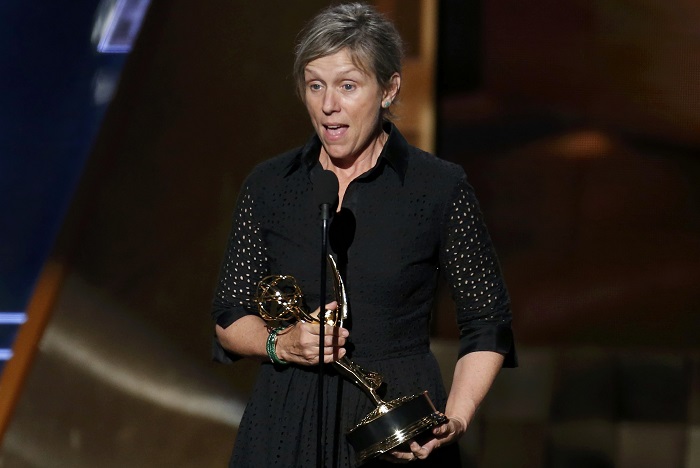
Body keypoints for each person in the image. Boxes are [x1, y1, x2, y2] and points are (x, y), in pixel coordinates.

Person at [211, 3, 516, 467]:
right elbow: (230, 315)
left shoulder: (438, 187)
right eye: (316, 86)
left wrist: (455, 416)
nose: (328, 104)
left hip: (397, 427)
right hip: (286, 422)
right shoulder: (270, 185)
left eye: (348, 86)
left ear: (389, 88)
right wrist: (282, 343)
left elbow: (487, 323)